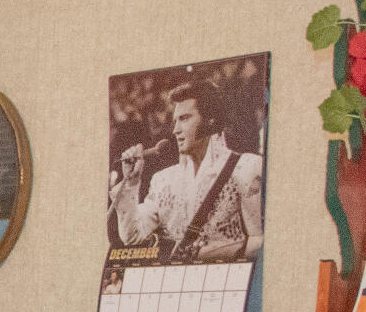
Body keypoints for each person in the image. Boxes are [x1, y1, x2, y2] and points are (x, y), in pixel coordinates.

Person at [108, 84, 263, 262]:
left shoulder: (247, 167)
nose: (175, 130)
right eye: (175, 121)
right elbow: (132, 236)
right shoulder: (163, 180)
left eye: (184, 118)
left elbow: (258, 240)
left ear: (210, 120)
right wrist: (131, 183)